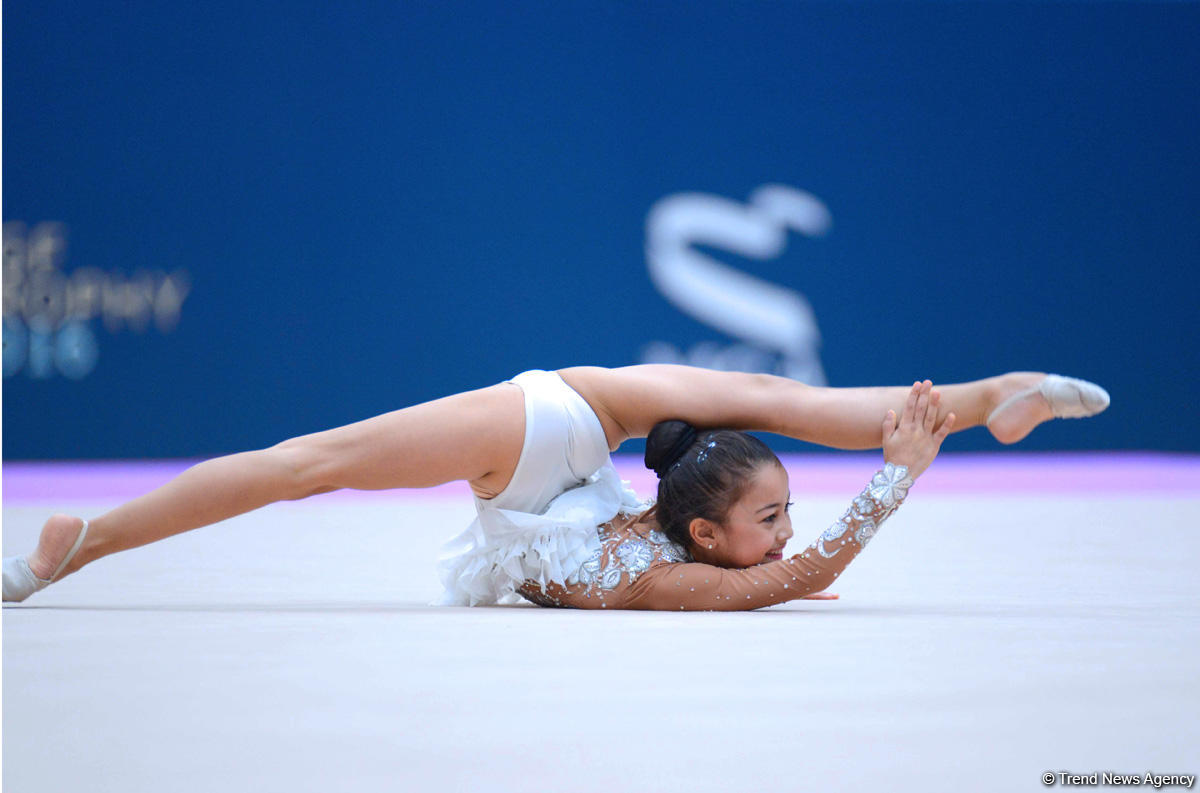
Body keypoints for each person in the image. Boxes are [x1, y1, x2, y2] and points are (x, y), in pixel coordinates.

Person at [3, 366, 1109, 609]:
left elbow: (790, 565)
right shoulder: (690, 574)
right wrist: (901, 472)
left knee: (780, 396)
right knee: (311, 465)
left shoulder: (676, 560)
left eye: (776, 519)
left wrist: (883, 478)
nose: (785, 535)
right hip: (548, 438)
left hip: (553, 484)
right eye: (770, 516)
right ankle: (85, 539)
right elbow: (806, 570)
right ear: (707, 527)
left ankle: (998, 393)